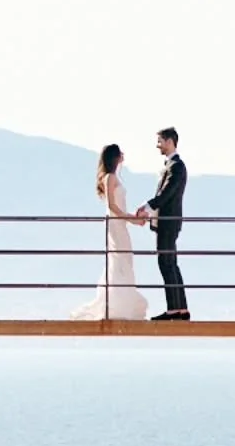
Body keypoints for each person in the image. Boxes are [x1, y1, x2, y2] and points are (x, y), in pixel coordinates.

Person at [70, 143, 149, 320]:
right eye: (120, 153)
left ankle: (123, 301)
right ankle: (115, 305)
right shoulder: (110, 178)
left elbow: (118, 207)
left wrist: (132, 219)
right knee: (119, 259)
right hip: (115, 224)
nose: (123, 155)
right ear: (115, 157)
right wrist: (132, 219)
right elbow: (112, 206)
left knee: (124, 259)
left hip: (120, 223)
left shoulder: (114, 177)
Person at [137, 127, 189, 320]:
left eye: (160, 141)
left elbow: (166, 194)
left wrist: (147, 207)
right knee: (170, 263)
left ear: (169, 141)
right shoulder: (174, 165)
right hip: (168, 222)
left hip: (168, 222)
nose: (158, 145)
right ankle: (180, 309)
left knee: (166, 262)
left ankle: (174, 310)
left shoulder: (176, 166)